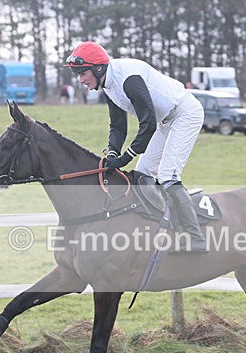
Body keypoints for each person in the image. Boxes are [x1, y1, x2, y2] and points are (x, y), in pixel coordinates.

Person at [64, 41, 208, 253]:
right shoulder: (107, 84)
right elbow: (118, 125)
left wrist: (126, 157)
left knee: (168, 176)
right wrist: (113, 152)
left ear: (98, 68)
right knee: (142, 175)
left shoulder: (128, 80)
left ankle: (196, 238)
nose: (81, 80)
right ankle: (163, 225)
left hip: (185, 114)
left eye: (83, 73)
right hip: (165, 121)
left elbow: (147, 123)